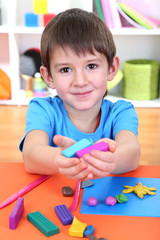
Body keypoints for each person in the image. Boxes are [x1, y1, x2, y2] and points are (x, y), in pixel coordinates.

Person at [19, 8, 140, 180]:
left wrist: (113, 160)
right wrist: (59, 159)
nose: (80, 81)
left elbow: (132, 153)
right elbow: (31, 155)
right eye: (66, 69)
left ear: (112, 68)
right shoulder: (42, 109)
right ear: (48, 77)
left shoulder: (121, 112)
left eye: (91, 66)